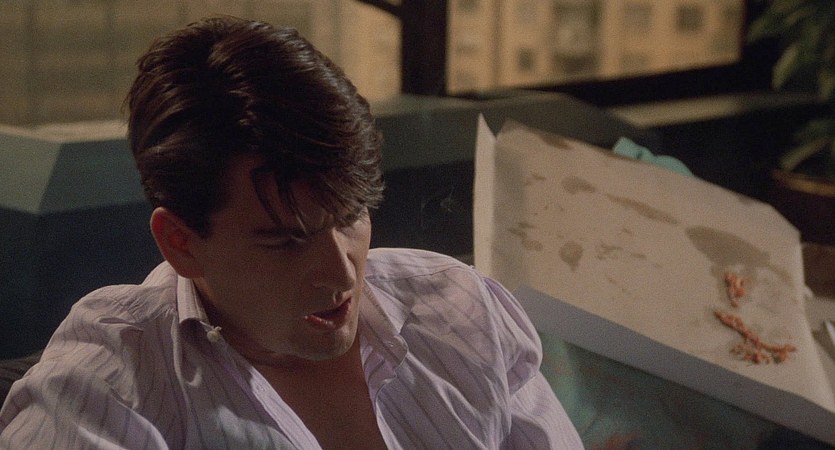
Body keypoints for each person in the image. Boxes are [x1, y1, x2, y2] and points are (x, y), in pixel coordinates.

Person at [0, 16, 582, 449]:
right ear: (181, 242)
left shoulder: (463, 312)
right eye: (285, 241)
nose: (340, 272)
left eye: (349, 214)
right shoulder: (110, 384)